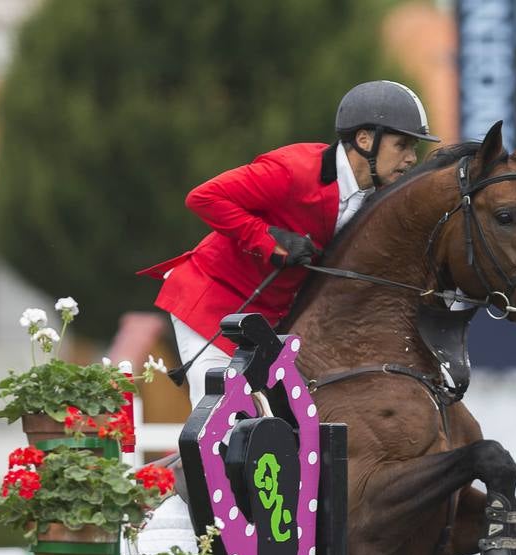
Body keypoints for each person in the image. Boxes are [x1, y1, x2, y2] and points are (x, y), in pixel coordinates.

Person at [138, 80, 440, 406]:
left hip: (272, 321)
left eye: (414, 147)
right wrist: (270, 239)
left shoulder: (377, 200)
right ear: (365, 139)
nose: (411, 159)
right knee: (223, 416)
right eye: (402, 145)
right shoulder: (293, 170)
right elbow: (204, 197)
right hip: (214, 301)